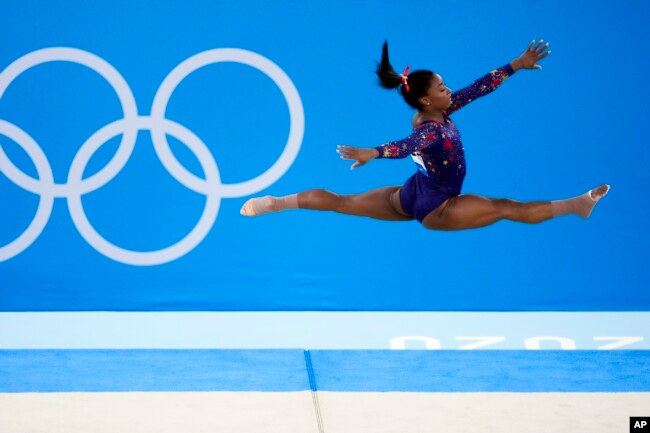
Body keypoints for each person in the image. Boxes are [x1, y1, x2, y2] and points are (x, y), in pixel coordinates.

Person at [240, 40, 609, 230]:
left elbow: (481, 87)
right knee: (505, 208)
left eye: (447, 85)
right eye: (442, 87)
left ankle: (277, 203)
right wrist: (375, 152)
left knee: (342, 202)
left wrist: (516, 65)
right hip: (438, 205)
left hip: (412, 193)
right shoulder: (430, 129)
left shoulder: (441, 111)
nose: (449, 90)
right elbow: (407, 146)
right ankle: (575, 206)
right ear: (424, 98)